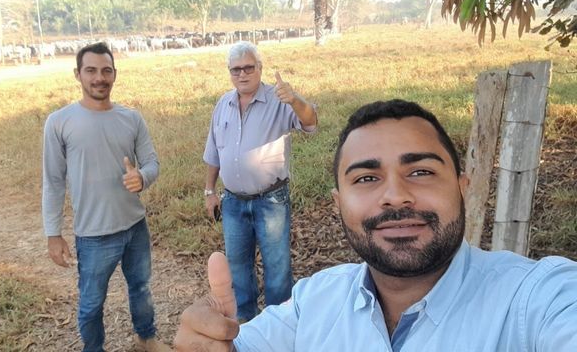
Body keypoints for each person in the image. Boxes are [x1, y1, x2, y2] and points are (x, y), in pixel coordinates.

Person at [175, 99, 577, 351]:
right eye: (366, 179)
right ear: (338, 205)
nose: (396, 196)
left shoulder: (534, 302)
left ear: (462, 188)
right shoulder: (313, 303)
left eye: (420, 171)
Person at [42, 42, 170, 352]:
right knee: (91, 303)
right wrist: (53, 234)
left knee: (140, 288)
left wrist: (143, 177)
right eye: (91, 71)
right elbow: (53, 181)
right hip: (93, 235)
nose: (100, 78)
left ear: (114, 74)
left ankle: (146, 338)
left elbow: (152, 162)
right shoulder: (59, 122)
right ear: (78, 75)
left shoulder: (131, 118)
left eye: (106, 71)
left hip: (135, 226)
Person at [202, 41, 318, 322]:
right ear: (230, 73)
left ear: (260, 68)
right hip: (232, 202)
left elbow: (311, 123)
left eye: (248, 67)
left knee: (277, 269)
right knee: (238, 268)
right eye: (235, 69)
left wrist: (296, 100)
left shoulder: (279, 99)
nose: (242, 74)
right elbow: (214, 152)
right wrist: (209, 191)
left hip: (270, 200)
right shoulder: (223, 104)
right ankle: (248, 324)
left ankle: (281, 325)